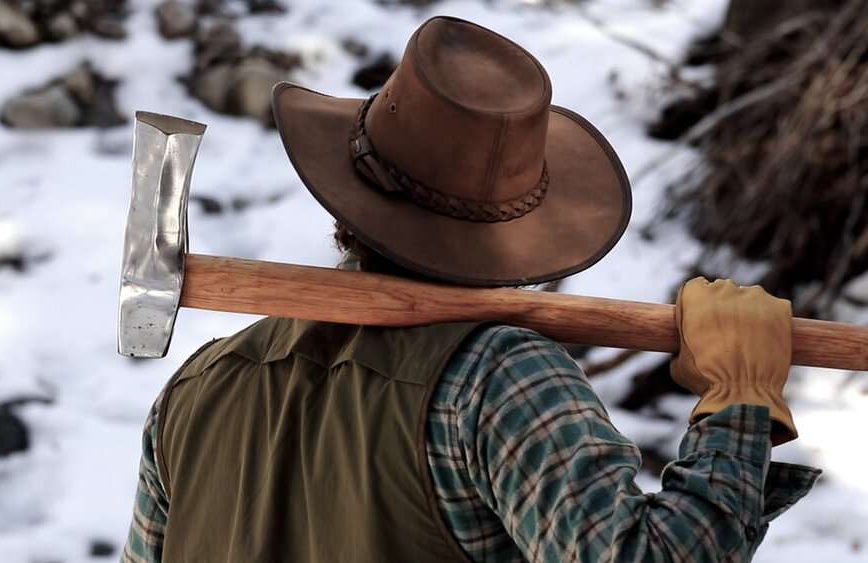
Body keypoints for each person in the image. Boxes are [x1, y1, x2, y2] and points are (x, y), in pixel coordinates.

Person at [122, 16, 820, 562]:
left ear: (346, 203)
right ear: (526, 227)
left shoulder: (198, 390)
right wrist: (739, 401)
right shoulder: (498, 380)